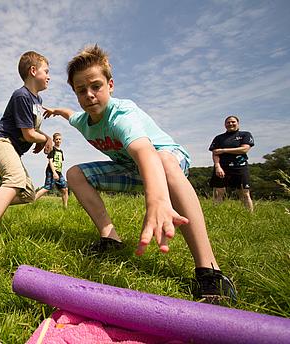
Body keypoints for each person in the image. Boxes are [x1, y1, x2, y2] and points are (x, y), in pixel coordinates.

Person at [43, 45, 236, 303]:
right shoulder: (83, 120)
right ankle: (110, 237)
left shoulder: (121, 114)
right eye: (81, 90)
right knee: (75, 174)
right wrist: (57, 110)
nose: (89, 95)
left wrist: (156, 200)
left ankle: (209, 270)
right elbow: (71, 115)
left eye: (96, 86)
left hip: (168, 160)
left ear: (110, 85)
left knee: (163, 161)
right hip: (132, 170)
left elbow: (145, 151)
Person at [0, 51, 53, 249]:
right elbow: (28, 134)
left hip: (12, 148)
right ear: (33, 71)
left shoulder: (37, 101)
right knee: (15, 179)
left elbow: (33, 130)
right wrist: (45, 138)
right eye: (46, 71)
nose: (49, 76)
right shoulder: (21, 95)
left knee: (28, 193)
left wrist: (40, 137)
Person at [209, 115, 254, 212]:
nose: (230, 124)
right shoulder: (219, 138)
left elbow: (245, 149)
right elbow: (215, 153)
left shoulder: (245, 135)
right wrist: (217, 167)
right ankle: (216, 214)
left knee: (244, 193)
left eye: (233, 122)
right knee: (218, 193)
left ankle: (250, 216)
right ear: (225, 125)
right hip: (222, 167)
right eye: (228, 122)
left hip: (240, 167)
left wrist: (223, 150)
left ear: (238, 123)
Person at [34, 132, 69, 207]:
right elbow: (50, 161)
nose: (58, 141)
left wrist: (58, 172)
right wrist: (54, 172)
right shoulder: (52, 149)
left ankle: (65, 208)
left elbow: (60, 162)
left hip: (59, 172)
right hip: (51, 171)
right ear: (53, 140)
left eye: (59, 139)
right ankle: (31, 201)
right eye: (56, 139)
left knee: (65, 189)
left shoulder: (61, 151)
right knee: (47, 188)